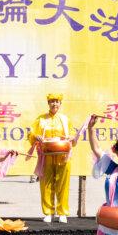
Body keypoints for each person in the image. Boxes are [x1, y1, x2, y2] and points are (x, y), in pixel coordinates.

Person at [27, 92, 73, 223]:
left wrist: (70, 137)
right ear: (48, 103)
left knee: (63, 184)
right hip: (46, 156)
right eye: (52, 101)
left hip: (62, 156)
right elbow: (31, 133)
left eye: (57, 101)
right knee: (46, 184)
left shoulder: (65, 119)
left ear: (60, 103)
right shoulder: (41, 119)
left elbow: (73, 135)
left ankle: (62, 212)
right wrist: (36, 136)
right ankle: (48, 212)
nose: (54, 104)